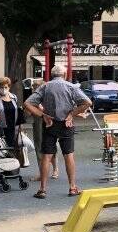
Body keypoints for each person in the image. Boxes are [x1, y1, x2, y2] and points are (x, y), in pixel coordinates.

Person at [24, 64, 92, 198]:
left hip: (49, 123)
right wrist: (72, 114)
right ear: (64, 75)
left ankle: (42, 189)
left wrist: (42, 115)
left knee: (46, 156)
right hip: (66, 124)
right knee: (68, 155)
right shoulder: (70, 86)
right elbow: (87, 102)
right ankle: (72, 187)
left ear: (51, 75)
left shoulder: (45, 86)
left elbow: (27, 103)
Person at [28, 78, 59, 181]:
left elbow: (52, 110)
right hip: (37, 124)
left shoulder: (48, 96)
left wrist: (39, 107)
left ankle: (55, 169)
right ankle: (42, 172)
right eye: (33, 87)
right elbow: (28, 112)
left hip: (49, 123)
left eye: (36, 87)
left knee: (51, 146)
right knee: (38, 147)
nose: (34, 89)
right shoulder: (32, 98)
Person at [0, 77, 25, 147]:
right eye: (1, 87)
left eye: (5, 87)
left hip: (13, 128)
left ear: (9, 87)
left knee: (13, 147)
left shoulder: (13, 97)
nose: (3, 89)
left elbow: (17, 110)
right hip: (0, 129)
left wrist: (20, 126)